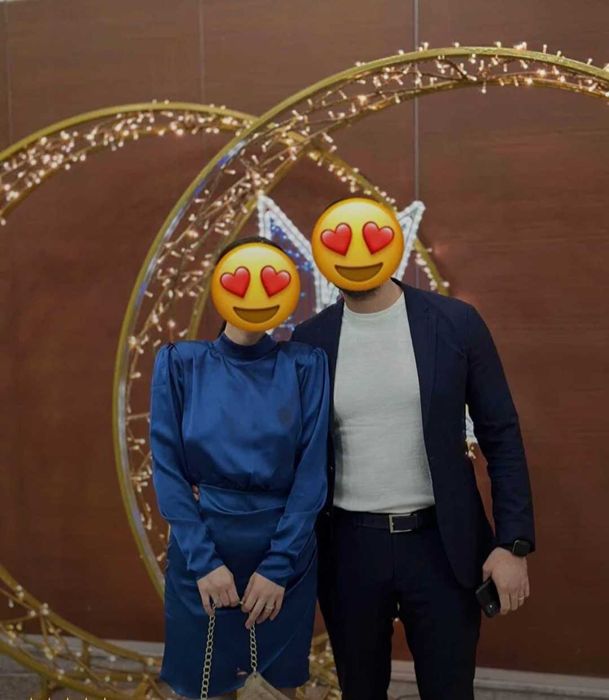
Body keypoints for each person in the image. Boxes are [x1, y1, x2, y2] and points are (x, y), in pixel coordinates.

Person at [291, 210, 535, 700]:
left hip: (441, 544)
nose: (355, 255)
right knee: (360, 691)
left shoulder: (455, 323)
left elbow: (501, 435)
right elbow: (292, 451)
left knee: (449, 690)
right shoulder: (309, 341)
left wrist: (513, 544)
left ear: (393, 244)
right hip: (349, 548)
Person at [149, 236, 330, 700]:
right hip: (201, 552)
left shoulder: (305, 366)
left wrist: (279, 567)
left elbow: (312, 475)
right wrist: (204, 562)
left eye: (271, 283)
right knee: (201, 687)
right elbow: (167, 471)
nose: (255, 294)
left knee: (274, 690)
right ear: (218, 286)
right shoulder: (180, 364)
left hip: (284, 555)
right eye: (239, 280)